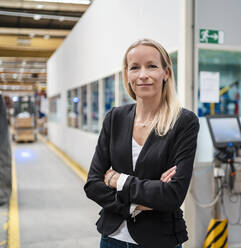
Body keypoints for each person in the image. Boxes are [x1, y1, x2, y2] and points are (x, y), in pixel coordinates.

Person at [84, 38, 200, 248]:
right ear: (127, 75)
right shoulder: (115, 118)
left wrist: (117, 180)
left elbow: (173, 195)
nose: (143, 75)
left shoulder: (183, 122)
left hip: (159, 240)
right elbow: (93, 184)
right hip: (112, 239)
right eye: (135, 67)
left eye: (152, 66)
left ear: (166, 73)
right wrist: (134, 205)